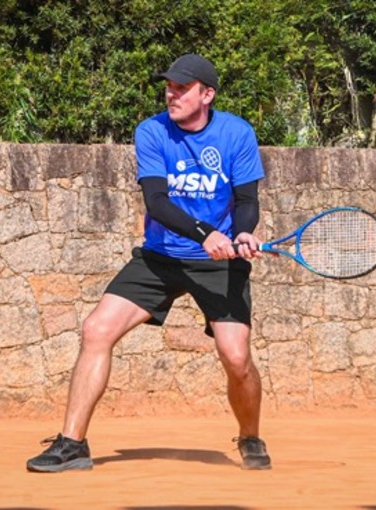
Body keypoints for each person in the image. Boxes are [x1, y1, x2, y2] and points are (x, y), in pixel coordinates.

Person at [27, 54, 271, 472]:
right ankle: (72, 444)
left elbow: (247, 200)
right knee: (96, 329)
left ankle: (250, 436)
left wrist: (243, 232)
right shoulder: (152, 131)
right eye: (169, 86)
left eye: (182, 88)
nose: (171, 94)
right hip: (160, 257)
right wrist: (205, 233)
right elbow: (157, 202)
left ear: (207, 95)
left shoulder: (237, 133)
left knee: (236, 358)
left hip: (218, 265)